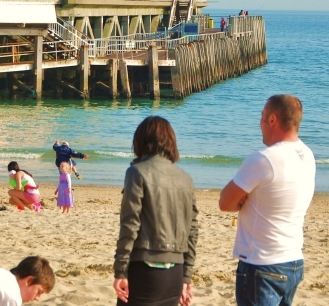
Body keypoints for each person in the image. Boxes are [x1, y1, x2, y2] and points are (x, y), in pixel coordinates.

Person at [219, 95, 315, 306]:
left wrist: (243, 199)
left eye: (262, 117)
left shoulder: (264, 159)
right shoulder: (307, 155)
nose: (260, 123)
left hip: (262, 264)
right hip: (293, 260)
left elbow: (225, 203)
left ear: (273, 120)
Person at [113, 116, 198, 306]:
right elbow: (192, 230)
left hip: (144, 269)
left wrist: (120, 270)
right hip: (175, 271)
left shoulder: (137, 172)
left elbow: (130, 224)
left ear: (140, 141)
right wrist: (186, 276)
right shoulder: (185, 178)